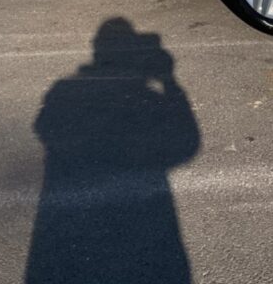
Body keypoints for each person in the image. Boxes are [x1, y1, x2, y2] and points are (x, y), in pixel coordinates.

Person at [26, 17, 200, 283]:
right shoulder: (148, 98)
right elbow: (187, 144)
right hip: (144, 213)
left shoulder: (65, 89)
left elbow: (44, 125)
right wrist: (169, 80)